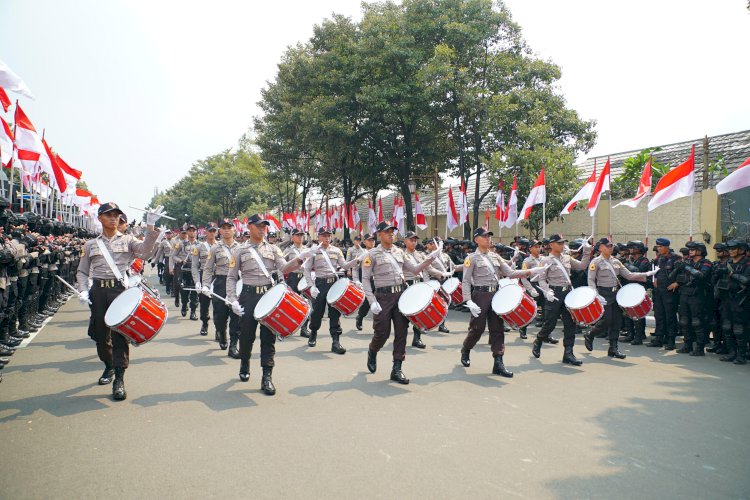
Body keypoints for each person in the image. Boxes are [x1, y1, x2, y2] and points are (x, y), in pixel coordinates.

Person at [76, 203, 165, 400]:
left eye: (116, 215)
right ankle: (109, 365)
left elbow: (145, 252)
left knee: (119, 336)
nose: (113, 218)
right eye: (109, 215)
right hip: (98, 291)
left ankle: (119, 378)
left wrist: (150, 228)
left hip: (119, 290)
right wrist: (83, 290)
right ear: (100, 218)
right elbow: (82, 271)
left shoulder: (128, 240)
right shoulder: (90, 245)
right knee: (100, 335)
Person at [226, 214, 316, 394]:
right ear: (249, 226)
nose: (262, 228)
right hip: (248, 296)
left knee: (268, 338)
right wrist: (232, 299)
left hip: (268, 296)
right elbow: (231, 276)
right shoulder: (240, 251)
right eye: (258, 225)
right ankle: (245, 363)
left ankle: (267, 376)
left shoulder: (274, 249)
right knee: (246, 336)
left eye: (264, 226)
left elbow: (284, 268)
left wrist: (299, 260)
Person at [362, 222, 441, 384]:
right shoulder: (371, 255)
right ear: (379, 235)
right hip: (382, 297)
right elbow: (365, 279)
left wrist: (431, 257)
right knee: (382, 333)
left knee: (401, 332)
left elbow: (415, 269)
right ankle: (373, 349)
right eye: (387, 232)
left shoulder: (399, 252)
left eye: (392, 232)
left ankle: (397, 368)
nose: (391, 234)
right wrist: (371, 301)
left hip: (400, 295)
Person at [460, 228, 545, 377]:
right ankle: (466, 348)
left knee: (497, 329)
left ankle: (498, 363)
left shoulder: (495, 257)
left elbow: (510, 273)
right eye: (484, 236)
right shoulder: (471, 258)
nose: (488, 239)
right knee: (477, 328)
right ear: (476, 240)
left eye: (489, 236)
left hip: (496, 295)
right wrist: (467, 300)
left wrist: (532, 271)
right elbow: (466, 281)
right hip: (480, 295)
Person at [584, 238, 657, 359]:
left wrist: (648, 274)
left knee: (616, 322)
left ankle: (613, 348)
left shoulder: (616, 261)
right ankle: (591, 334)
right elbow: (591, 280)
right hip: (603, 293)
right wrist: (595, 294)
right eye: (607, 246)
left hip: (616, 293)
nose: (610, 247)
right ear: (601, 247)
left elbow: (629, 275)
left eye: (611, 245)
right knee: (606, 320)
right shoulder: (595, 262)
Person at [532, 234, 592, 366]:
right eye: (559, 243)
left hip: (568, 293)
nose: (562, 245)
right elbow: (541, 278)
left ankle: (568, 353)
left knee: (570, 324)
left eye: (563, 243)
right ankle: (539, 340)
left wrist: (587, 251)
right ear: (551, 244)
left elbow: (582, 266)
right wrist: (547, 290)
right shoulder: (545, 260)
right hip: (554, 294)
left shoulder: (567, 258)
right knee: (550, 324)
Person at [303, 228, 360, 354]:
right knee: (318, 312)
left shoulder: (336, 250)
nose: (327, 238)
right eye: (324, 235)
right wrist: (311, 286)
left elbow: (344, 265)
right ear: (319, 237)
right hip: (320, 283)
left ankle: (336, 341)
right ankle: (313, 332)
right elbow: (306, 269)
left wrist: (356, 261)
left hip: (334, 283)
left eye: (328, 235)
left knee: (335, 312)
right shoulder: (313, 251)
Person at [201, 220, 241, 355]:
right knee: (220, 314)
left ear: (234, 230)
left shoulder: (241, 247)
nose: (227, 230)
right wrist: (205, 285)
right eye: (224, 228)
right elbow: (207, 268)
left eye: (229, 227)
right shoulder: (215, 248)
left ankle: (233, 345)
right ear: (220, 231)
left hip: (236, 282)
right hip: (221, 283)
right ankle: (222, 334)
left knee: (236, 315)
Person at [670, 241, 712, 355]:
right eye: (690, 249)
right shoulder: (687, 262)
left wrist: (686, 267)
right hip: (684, 294)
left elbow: (701, 276)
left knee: (697, 322)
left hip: (697, 295)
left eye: (693, 249)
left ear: (700, 251)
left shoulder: (706, 263)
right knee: (684, 321)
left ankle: (699, 348)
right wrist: (677, 269)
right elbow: (672, 277)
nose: (690, 251)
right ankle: (687, 345)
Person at [715, 239, 749, 364]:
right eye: (729, 249)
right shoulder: (727, 262)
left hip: (740, 300)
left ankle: (741, 355)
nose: (731, 251)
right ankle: (731, 353)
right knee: (727, 327)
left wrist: (731, 273)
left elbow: (746, 281)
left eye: (733, 249)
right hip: (726, 299)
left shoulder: (747, 264)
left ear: (741, 250)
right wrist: (717, 273)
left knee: (739, 329)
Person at [402, 231, 436, 349]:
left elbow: (429, 268)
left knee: (419, 313)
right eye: (411, 239)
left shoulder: (420, 254)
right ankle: (401, 339)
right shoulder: (401, 254)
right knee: (405, 314)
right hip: (407, 285)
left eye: (415, 240)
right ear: (405, 241)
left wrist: (442, 273)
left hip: (419, 285)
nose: (414, 242)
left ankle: (417, 339)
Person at [648, 238, 681, 349]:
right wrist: (655, 278)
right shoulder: (658, 259)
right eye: (658, 247)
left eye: (661, 246)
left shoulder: (676, 258)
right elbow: (656, 271)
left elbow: (682, 273)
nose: (659, 248)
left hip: (669, 292)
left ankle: (671, 340)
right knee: (659, 315)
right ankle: (659, 338)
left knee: (670, 316)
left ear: (667, 246)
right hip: (659, 291)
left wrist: (677, 283)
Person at [621, 241, 651, 345]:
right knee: (627, 313)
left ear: (638, 249)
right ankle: (630, 334)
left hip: (639, 290)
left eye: (632, 248)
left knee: (638, 314)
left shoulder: (644, 261)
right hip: (630, 289)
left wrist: (626, 265)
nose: (630, 250)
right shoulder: (632, 261)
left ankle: (639, 336)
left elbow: (638, 272)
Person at [283, 228, 311, 338]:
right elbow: (282, 266)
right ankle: (289, 327)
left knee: (306, 303)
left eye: (301, 235)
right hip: (293, 278)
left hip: (304, 278)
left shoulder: (307, 250)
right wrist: (281, 280)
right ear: (292, 237)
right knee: (292, 304)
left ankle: (304, 328)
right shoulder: (288, 251)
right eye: (297, 235)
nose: (300, 237)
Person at [192, 226, 218, 336]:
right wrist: (197, 281)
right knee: (204, 304)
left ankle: (219, 329)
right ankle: (205, 323)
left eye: (214, 231)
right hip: (204, 277)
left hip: (218, 277)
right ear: (206, 232)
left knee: (219, 305)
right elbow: (194, 266)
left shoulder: (221, 246)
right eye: (210, 231)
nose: (212, 233)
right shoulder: (198, 247)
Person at [353, 234, 376, 331]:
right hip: (367, 281)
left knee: (380, 304)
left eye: (373, 240)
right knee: (367, 303)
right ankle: (360, 317)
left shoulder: (379, 253)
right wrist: (356, 280)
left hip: (379, 281)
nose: (372, 242)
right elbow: (355, 269)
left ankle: (377, 326)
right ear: (365, 242)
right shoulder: (361, 255)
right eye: (369, 240)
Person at [169, 229, 188, 308]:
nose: (184, 235)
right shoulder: (175, 242)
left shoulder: (191, 241)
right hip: (178, 264)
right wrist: (171, 267)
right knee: (177, 283)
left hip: (188, 265)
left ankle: (185, 302)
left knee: (187, 284)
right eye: (183, 233)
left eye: (185, 233)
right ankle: (177, 297)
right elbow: (171, 255)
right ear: (180, 233)